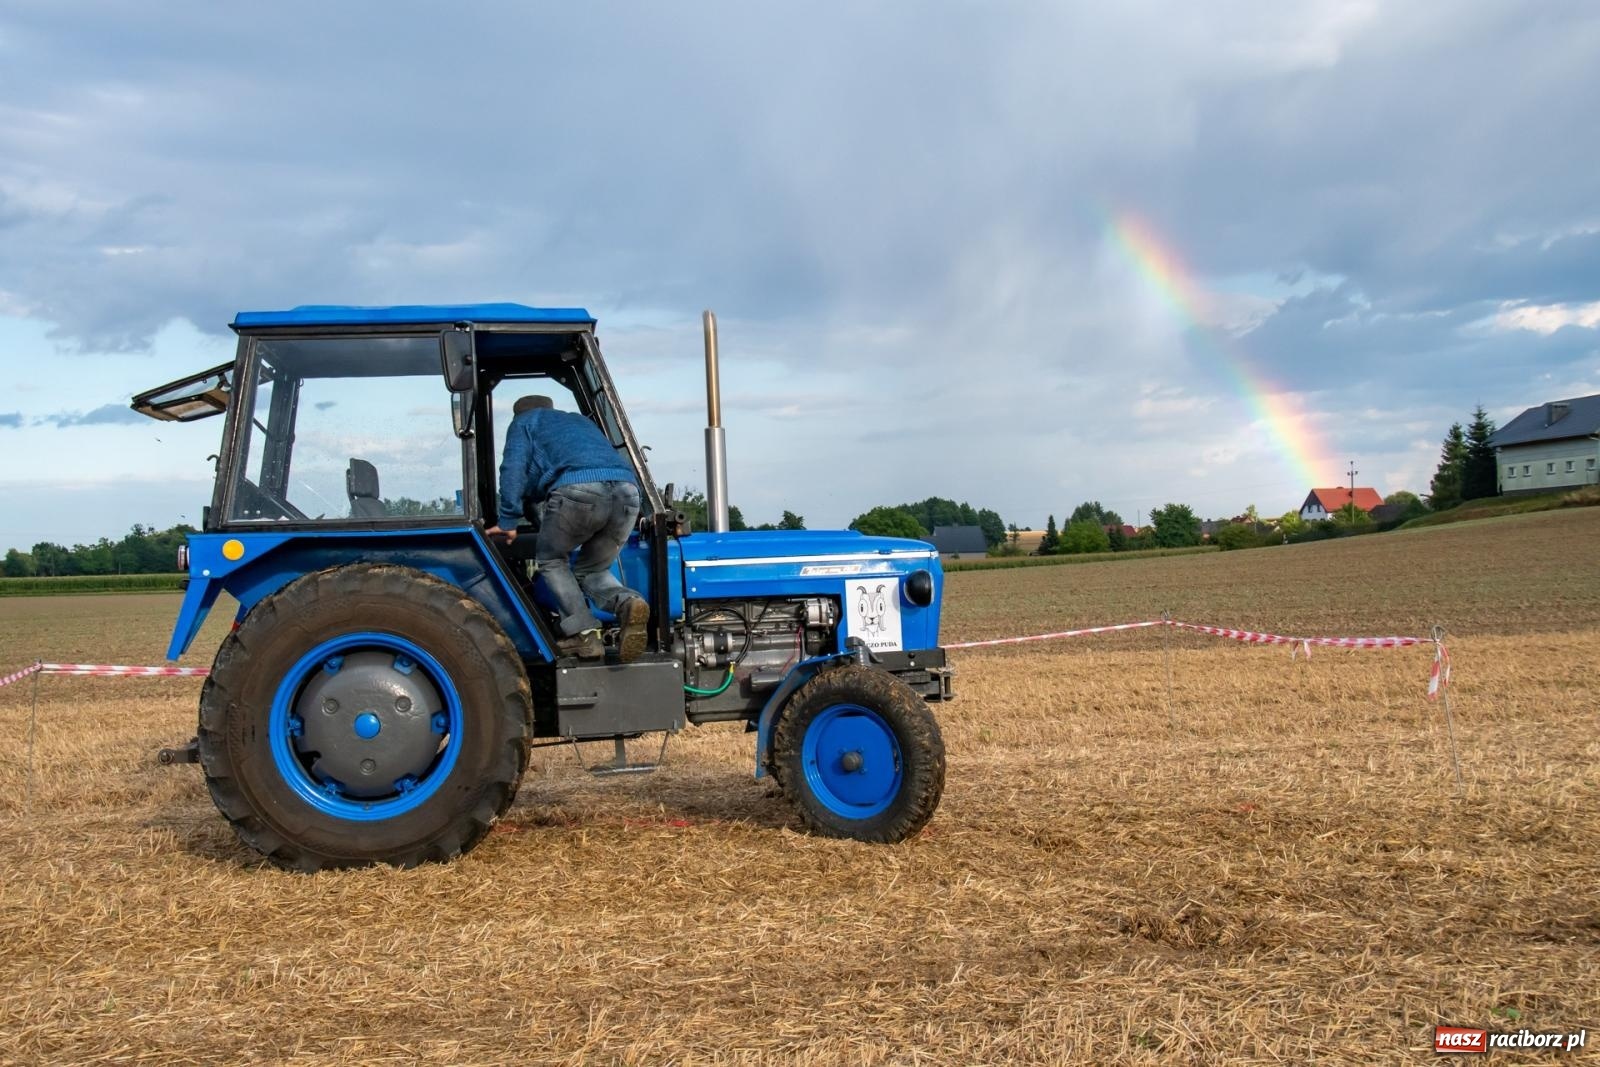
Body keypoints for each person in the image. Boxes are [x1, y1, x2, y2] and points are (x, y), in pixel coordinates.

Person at [485, 395, 650, 662]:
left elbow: (513, 469)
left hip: (579, 491)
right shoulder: (578, 422)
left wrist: (508, 521)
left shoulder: (524, 423)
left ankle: (584, 635)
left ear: (519, 414)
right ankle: (628, 603)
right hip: (628, 492)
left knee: (551, 560)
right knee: (593, 569)